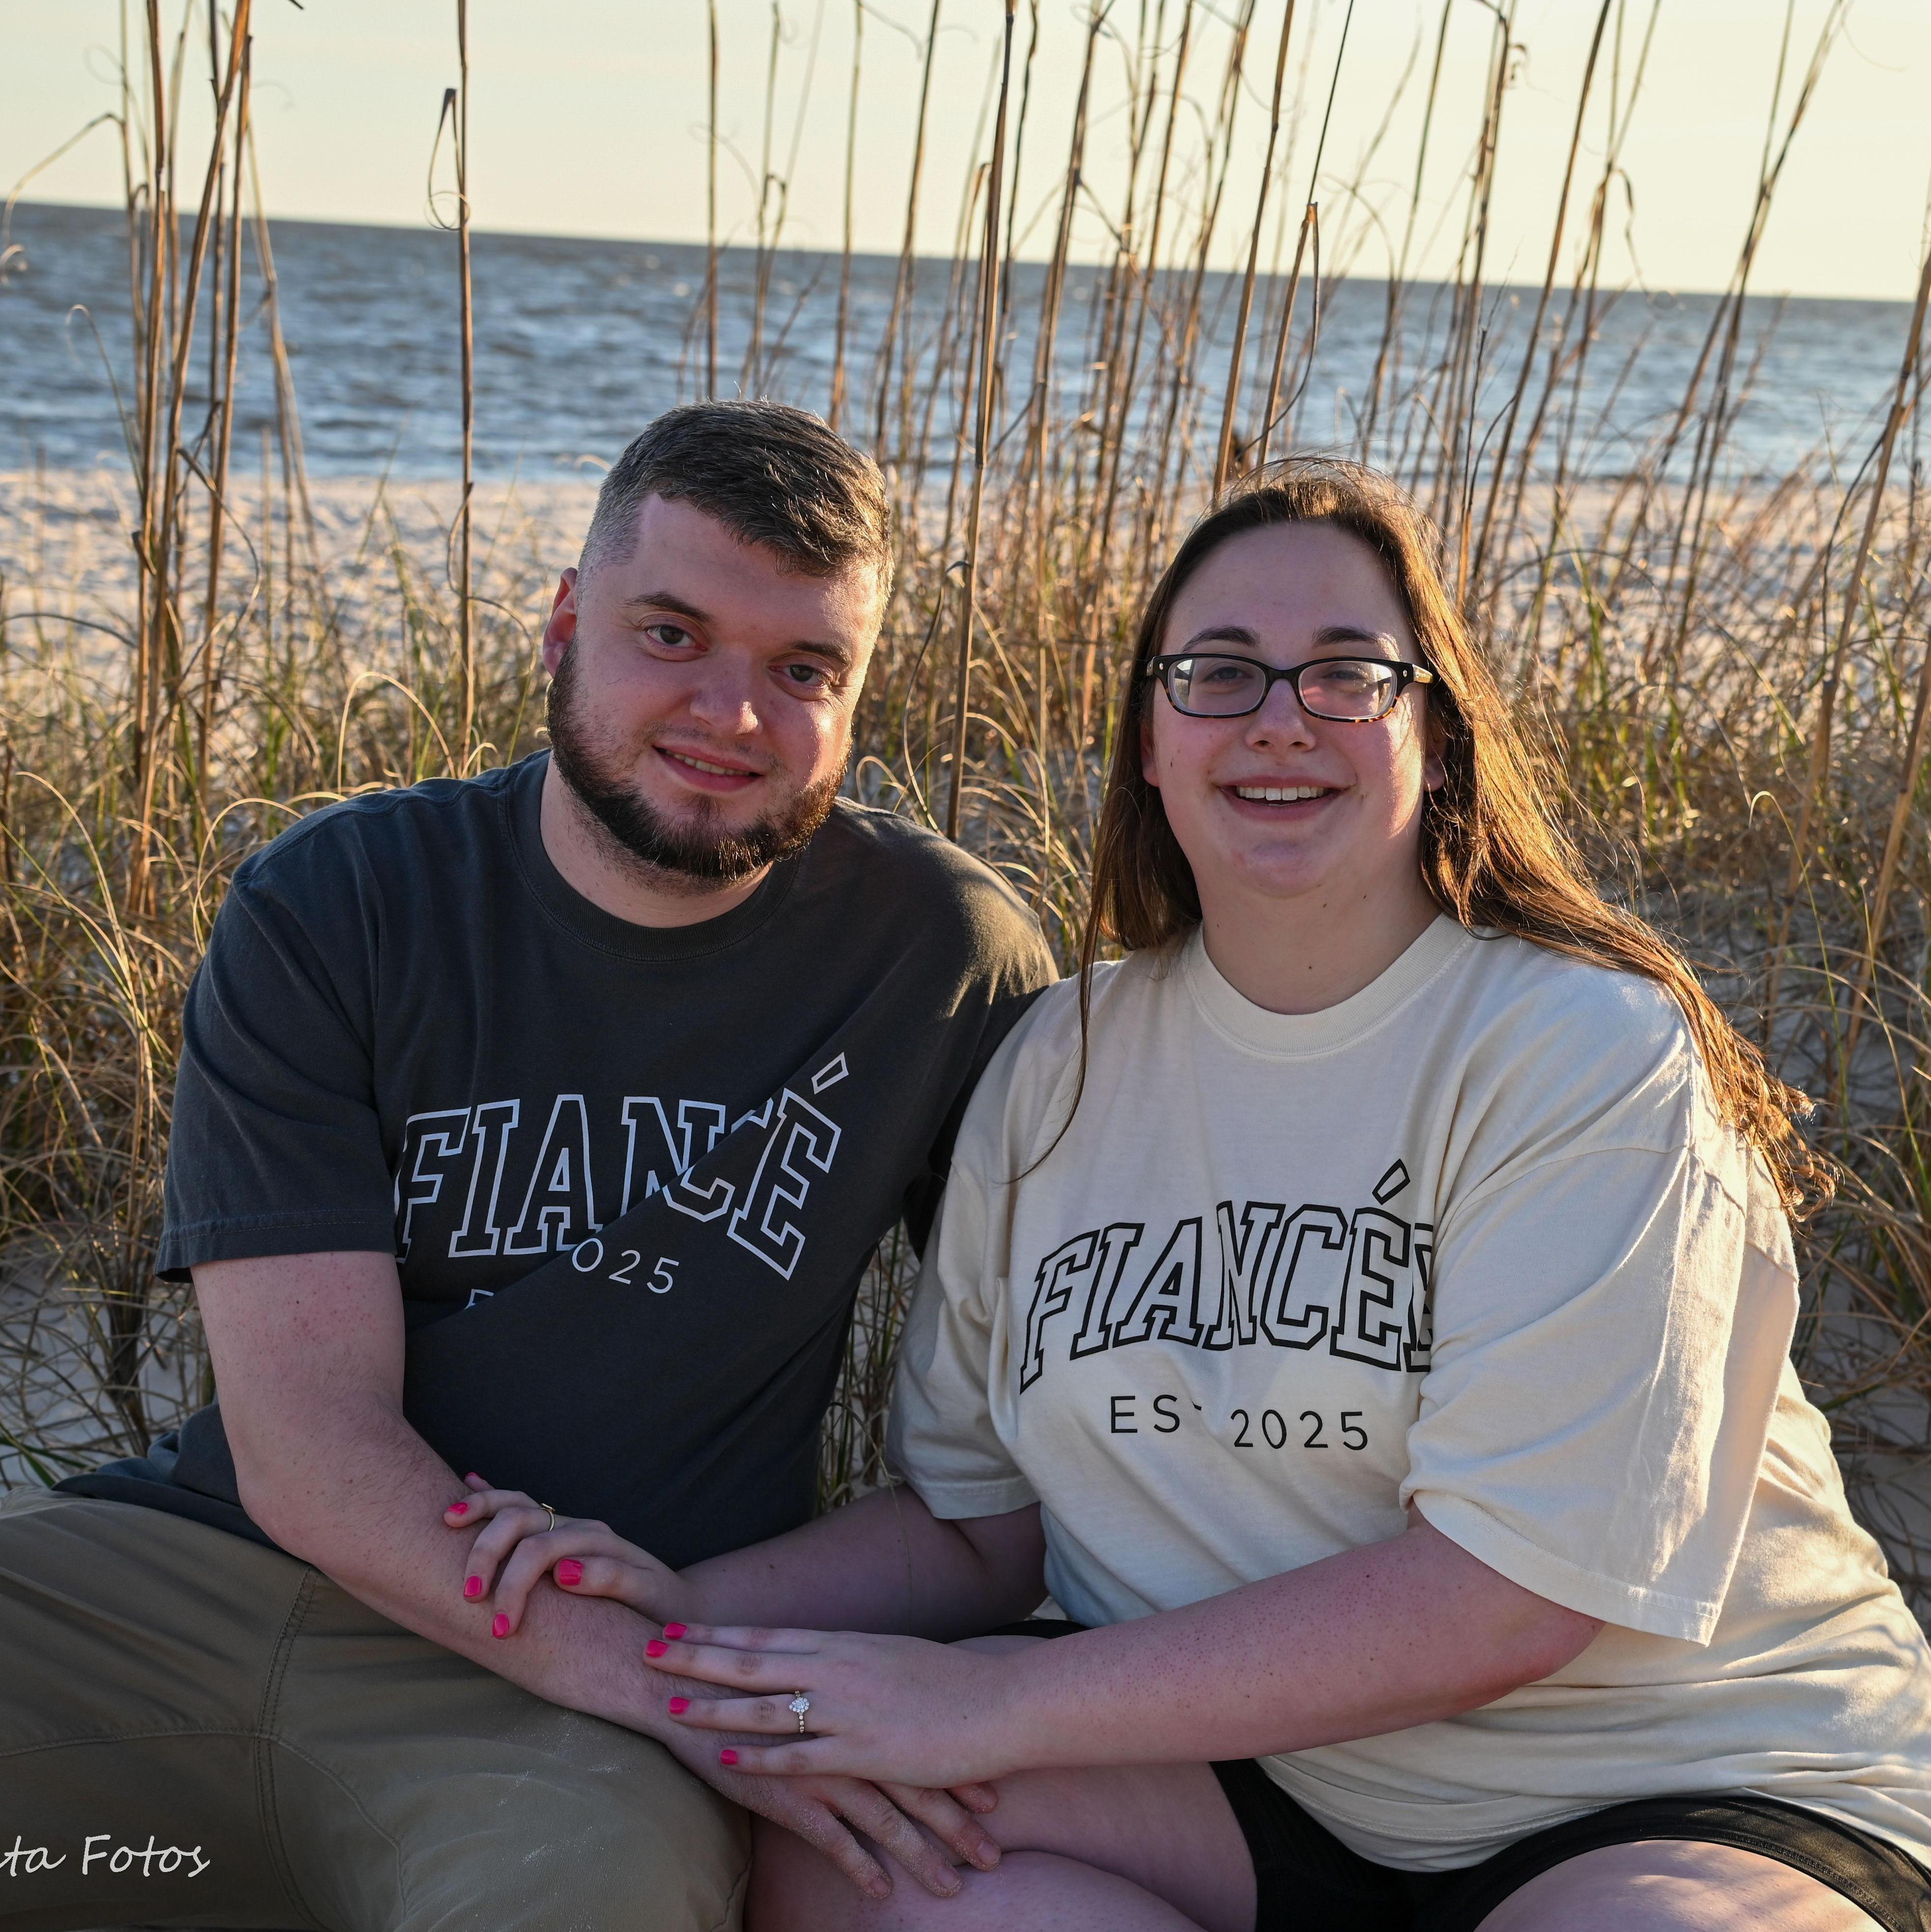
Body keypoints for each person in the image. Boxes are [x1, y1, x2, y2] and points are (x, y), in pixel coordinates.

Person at [458, 460, 1931, 1932]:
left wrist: (989, 1705)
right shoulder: (1059, 1067)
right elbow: (981, 1530)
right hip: (1251, 1779)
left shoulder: (1579, 1051)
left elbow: (1507, 1601)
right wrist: (688, 1613)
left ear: (1435, 735)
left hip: (1673, 1781)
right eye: (1218, 673)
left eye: (1346, 674)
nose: (1279, 718)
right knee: (843, 1852)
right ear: (1150, 747)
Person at [0, 401, 1056, 1932]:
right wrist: (663, 1683)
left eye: (803, 670)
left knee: (590, 1901)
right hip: (187, 1585)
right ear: (564, 625)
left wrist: (695, 1651)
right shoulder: (340, 903)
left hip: (562, 1721)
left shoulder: (939, 963)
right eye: (671, 634)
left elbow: (1006, 1498)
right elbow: (307, 1444)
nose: (732, 713)